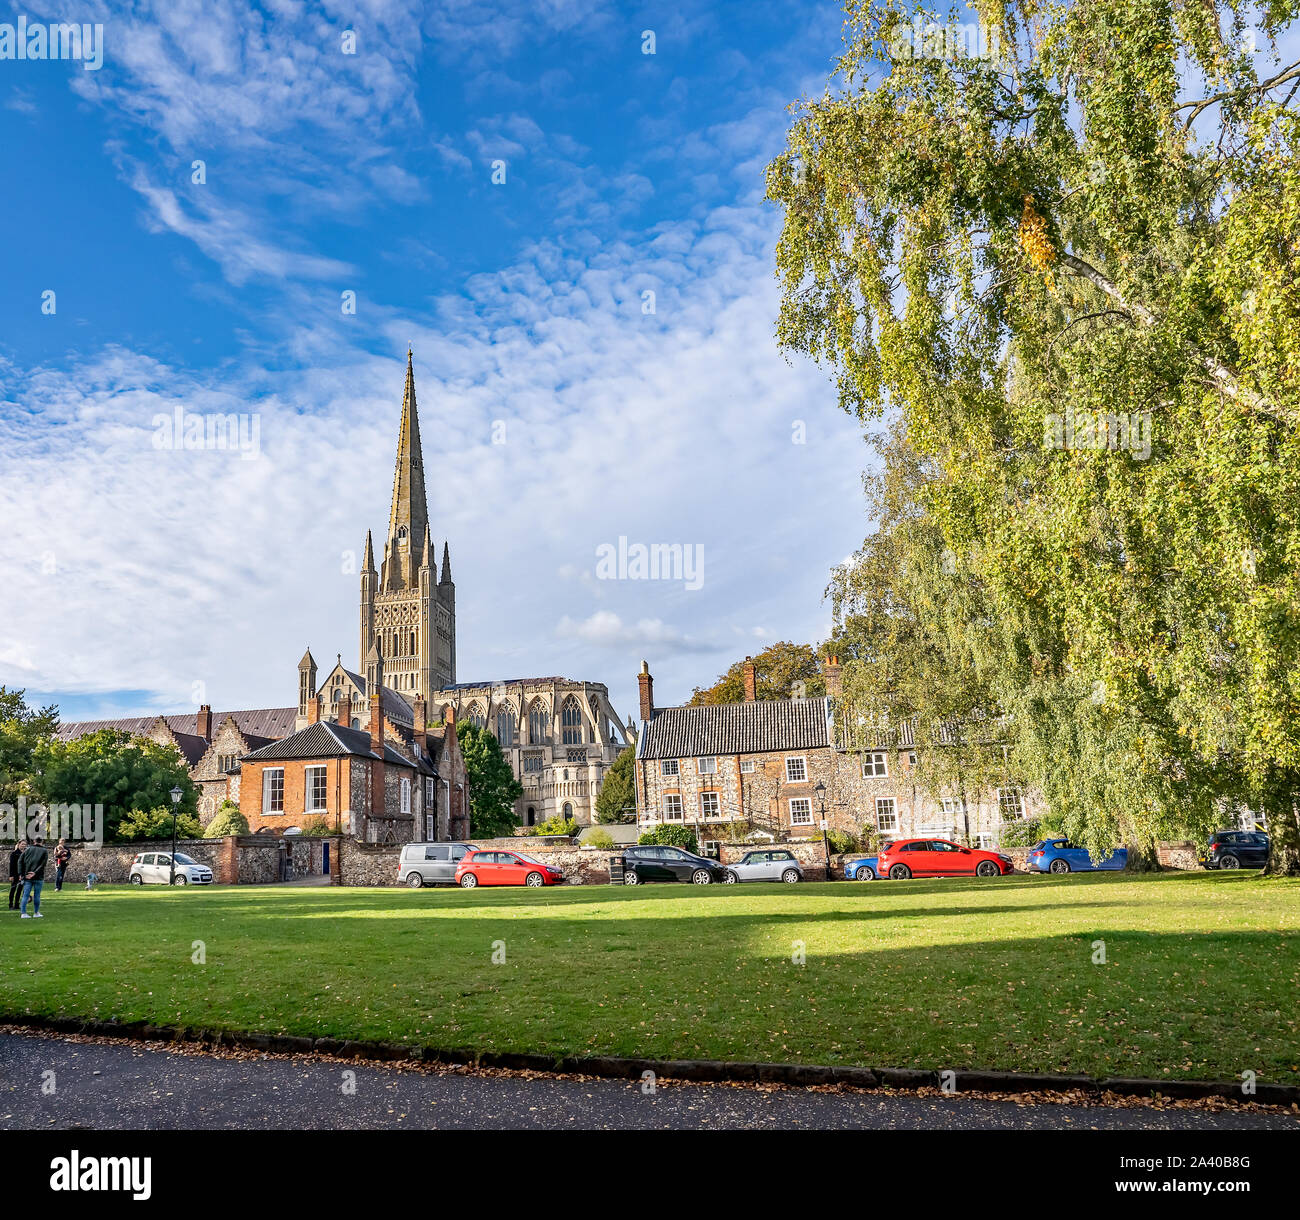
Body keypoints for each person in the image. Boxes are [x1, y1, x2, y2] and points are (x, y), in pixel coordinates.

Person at [19, 837, 49, 919]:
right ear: (42, 841)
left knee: (25, 895)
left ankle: (23, 913)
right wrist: (35, 872)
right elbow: (43, 864)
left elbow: (20, 861)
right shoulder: (44, 851)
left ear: (34, 841)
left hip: (27, 876)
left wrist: (20, 874)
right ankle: (36, 913)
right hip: (38, 876)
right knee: (37, 895)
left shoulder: (27, 849)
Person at [8, 838, 26, 911]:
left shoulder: (26, 853)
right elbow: (11, 865)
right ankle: (10, 905)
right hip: (15, 874)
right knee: (13, 890)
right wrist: (11, 875)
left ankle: (16, 905)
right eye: (22, 844)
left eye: (25, 844)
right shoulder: (14, 853)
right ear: (19, 844)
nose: (23, 845)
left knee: (19, 890)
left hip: (22, 875)